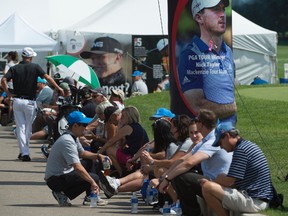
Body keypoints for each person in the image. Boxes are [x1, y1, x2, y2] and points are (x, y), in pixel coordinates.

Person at [156, 109, 232, 216]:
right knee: (177, 174)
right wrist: (165, 177)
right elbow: (183, 159)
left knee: (182, 177)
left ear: (201, 124)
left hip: (221, 184)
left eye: (197, 120)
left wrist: (167, 179)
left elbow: (189, 163)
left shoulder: (213, 140)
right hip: (211, 180)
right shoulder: (206, 139)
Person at [176, 0, 236, 124]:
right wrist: (231, 108)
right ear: (199, 17)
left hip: (230, 135)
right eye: (215, 10)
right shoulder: (191, 54)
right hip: (207, 137)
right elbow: (196, 105)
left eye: (223, 9)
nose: (222, 14)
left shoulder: (228, 51)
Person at [1, 47, 64, 162]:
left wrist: (9, 94)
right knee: (28, 128)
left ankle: (23, 152)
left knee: (21, 127)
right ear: (30, 57)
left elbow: (3, 80)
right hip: (30, 101)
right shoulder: (35, 67)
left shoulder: (15, 68)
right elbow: (48, 77)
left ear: (23, 56)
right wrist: (58, 87)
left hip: (17, 100)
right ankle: (25, 152)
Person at [200, 122, 273, 215]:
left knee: (207, 187)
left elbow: (229, 182)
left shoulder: (241, 150)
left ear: (227, 136)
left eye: (220, 142)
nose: (221, 147)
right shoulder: (246, 145)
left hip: (255, 202)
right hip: (259, 199)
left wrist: (215, 180)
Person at [44, 110, 113, 206]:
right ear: (75, 126)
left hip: (61, 175)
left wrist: (98, 156)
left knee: (91, 161)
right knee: (93, 177)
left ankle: (90, 196)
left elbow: (82, 153)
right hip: (56, 179)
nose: (86, 127)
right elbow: (77, 167)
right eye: (84, 125)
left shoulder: (73, 136)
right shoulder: (67, 141)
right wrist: (92, 182)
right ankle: (62, 193)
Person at [98, 105, 149, 177]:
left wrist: (98, 152)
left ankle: (117, 173)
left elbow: (110, 141)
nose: (110, 122)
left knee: (108, 150)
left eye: (123, 116)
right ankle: (108, 173)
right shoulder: (137, 126)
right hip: (137, 155)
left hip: (133, 157)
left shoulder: (126, 127)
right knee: (106, 151)